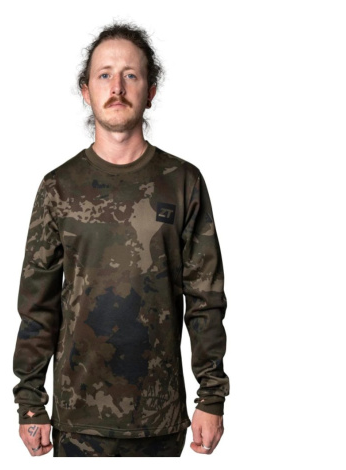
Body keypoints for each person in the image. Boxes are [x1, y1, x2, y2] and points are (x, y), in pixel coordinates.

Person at [13, 21, 230, 458]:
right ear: (86, 90)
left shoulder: (183, 182)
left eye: (131, 74)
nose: (117, 87)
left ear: (151, 90)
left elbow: (205, 298)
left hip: (160, 418)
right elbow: (38, 304)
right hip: (79, 421)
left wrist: (211, 397)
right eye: (104, 74)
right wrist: (30, 402)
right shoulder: (58, 187)